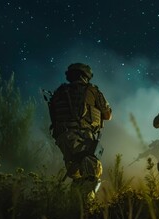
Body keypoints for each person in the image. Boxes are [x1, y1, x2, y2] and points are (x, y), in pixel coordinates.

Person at [48, 63, 112, 202]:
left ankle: (71, 209)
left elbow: (54, 117)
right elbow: (107, 114)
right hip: (82, 135)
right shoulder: (92, 90)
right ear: (86, 76)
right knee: (92, 171)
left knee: (77, 173)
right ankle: (85, 212)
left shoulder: (59, 92)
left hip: (64, 138)